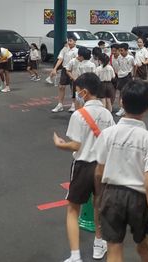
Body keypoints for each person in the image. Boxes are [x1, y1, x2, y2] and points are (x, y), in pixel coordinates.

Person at [93, 80, 148, 262]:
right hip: (138, 199)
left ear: (121, 102)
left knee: (114, 250)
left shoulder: (107, 134)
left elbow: (98, 172)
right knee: (143, 248)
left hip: (111, 195)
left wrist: (100, 200)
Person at [53, 72, 116, 262]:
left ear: (86, 92)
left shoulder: (79, 115)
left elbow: (75, 145)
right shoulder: (106, 113)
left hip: (82, 166)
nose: (77, 95)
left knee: (73, 209)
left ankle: (75, 256)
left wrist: (59, 144)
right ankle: (99, 243)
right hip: (103, 166)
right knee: (98, 205)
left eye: (78, 92)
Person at [50, 37, 79, 113]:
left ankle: (73, 104)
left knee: (73, 88)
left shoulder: (77, 51)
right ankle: (60, 105)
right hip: (64, 69)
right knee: (61, 86)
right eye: (68, 41)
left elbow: (76, 62)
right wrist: (55, 68)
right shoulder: (64, 49)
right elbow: (60, 59)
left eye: (70, 41)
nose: (69, 42)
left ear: (75, 42)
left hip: (73, 70)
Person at [115, 43, 135, 117]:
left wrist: (133, 75)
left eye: (122, 50)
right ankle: (122, 108)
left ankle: (126, 108)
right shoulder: (119, 57)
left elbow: (134, 65)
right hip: (120, 76)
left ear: (127, 50)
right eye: (120, 50)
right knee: (121, 93)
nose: (121, 52)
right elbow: (118, 66)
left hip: (128, 76)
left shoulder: (131, 58)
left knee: (127, 93)